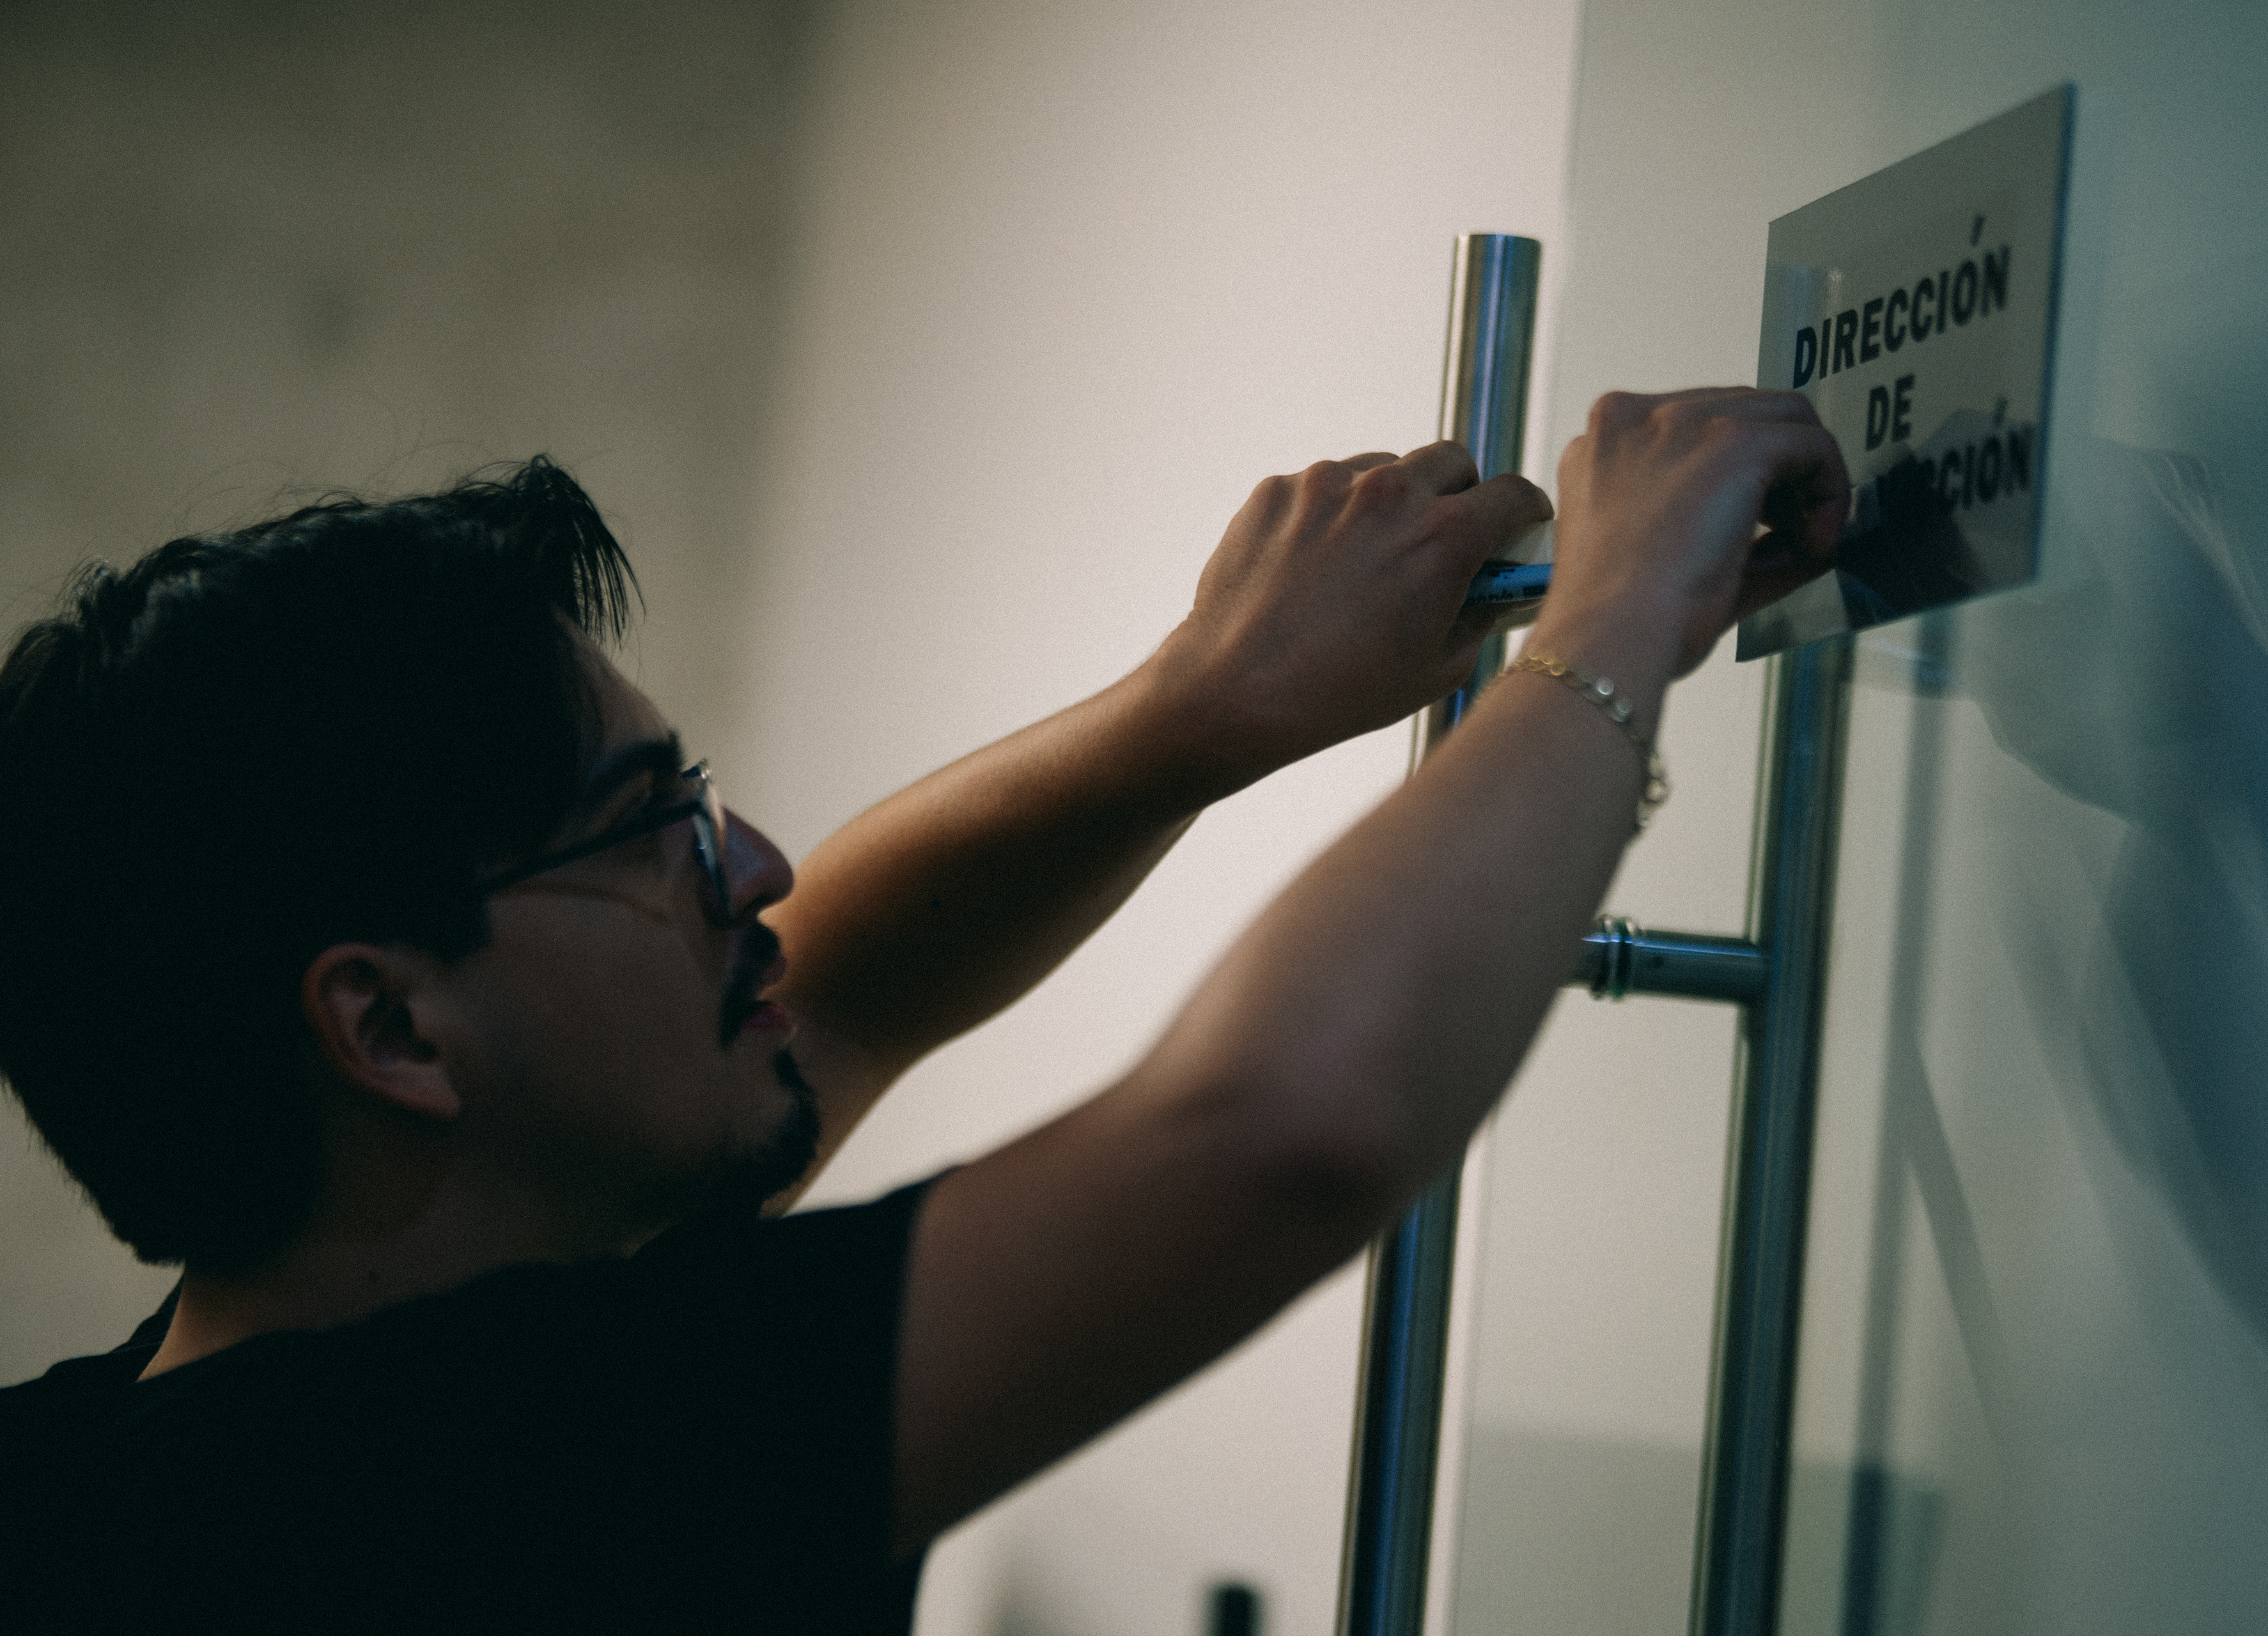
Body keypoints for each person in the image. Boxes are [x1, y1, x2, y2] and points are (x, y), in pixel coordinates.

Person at [0, 389, 1845, 1632]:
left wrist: (1201, 709)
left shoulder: (116, 1474)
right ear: (395, 1032)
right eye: (654, 830)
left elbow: (844, 982)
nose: (758, 866)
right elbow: (1285, 1129)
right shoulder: (479, 1489)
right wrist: (1615, 624)